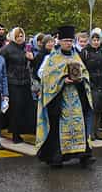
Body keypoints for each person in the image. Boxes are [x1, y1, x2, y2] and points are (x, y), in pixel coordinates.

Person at [36, 25, 94, 168]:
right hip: (59, 99)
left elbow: (85, 73)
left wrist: (80, 79)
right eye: (66, 40)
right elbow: (46, 77)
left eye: (70, 40)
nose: (68, 43)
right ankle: (57, 157)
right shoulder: (53, 58)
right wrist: (63, 80)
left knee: (79, 125)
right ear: (59, 41)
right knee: (58, 127)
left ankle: (83, 155)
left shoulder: (76, 56)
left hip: (76, 98)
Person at [1, 27, 35, 143]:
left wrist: (31, 58)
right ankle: (15, 133)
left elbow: (32, 64)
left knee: (26, 107)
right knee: (16, 108)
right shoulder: (7, 49)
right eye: (17, 36)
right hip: (13, 82)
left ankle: (23, 130)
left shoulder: (26, 48)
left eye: (21, 36)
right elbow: (2, 65)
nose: (20, 38)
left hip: (25, 81)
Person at [81, 32, 102, 136]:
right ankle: (90, 131)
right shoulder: (85, 52)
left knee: (101, 107)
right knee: (93, 107)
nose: (96, 42)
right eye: (94, 40)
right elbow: (82, 67)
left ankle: (97, 130)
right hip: (91, 82)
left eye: (97, 40)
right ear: (90, 41)